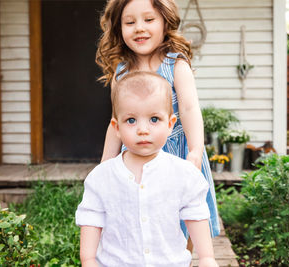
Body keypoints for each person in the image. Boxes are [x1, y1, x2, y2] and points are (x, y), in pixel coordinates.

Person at [95, 0, 220, 240]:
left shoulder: (175, 64)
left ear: (165, 22)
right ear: (119, 28)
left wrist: (194, 151)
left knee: (185, 217)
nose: (139, 28)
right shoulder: (121, 73)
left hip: (177, 152)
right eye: (130, 22)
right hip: (136, 157)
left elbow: (190, 108)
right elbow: (116, 123)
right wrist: (105, 165)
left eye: (149, 20)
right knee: (141, 216)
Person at [76, 71, 218, 267]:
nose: (143, 129)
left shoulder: (183, 174)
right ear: (117, 128)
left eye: (154, 119)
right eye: (131, 120)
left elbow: (196, 215)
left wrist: (206, 258)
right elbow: (91, 217)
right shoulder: (102, 177)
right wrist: (88, 260)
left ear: (170, 124)